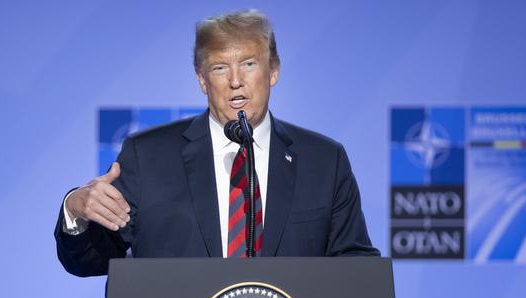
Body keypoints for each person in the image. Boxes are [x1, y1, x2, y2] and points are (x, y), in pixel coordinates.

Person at [55, 9, 379, 277]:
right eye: (220, 67)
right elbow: (91, 260)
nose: (235, 80)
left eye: (249, 64)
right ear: (201, 80)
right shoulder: (148, 156)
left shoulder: (323, 161)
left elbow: (355, 268)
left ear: (274, 71)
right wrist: (75, 209)